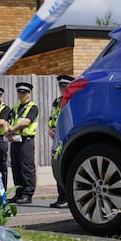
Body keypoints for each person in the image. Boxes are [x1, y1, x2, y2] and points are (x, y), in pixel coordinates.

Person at [6, 81, 39, 204]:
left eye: (24, 92)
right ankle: (18, 193)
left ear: (29, 94)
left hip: (26, 140)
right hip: (15, 140)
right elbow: (8, 121)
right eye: (19, 92)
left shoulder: (33, 107)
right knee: (16, 167)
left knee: (27, 167)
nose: (21, 95)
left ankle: (27, 194)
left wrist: (11, 130)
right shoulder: (15, 108)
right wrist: (8, 133)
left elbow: (26, 122)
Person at [48, 74, 74, 208]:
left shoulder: (73, 100)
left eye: (65, 86)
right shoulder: (58, 101)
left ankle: (68, 198)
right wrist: (51, 128)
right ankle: (61, 196)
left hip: (68, 137)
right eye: (60, 86)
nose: (62, 89)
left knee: (68, 167)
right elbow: (53, 117)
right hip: (57, 139)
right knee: (58, 165)